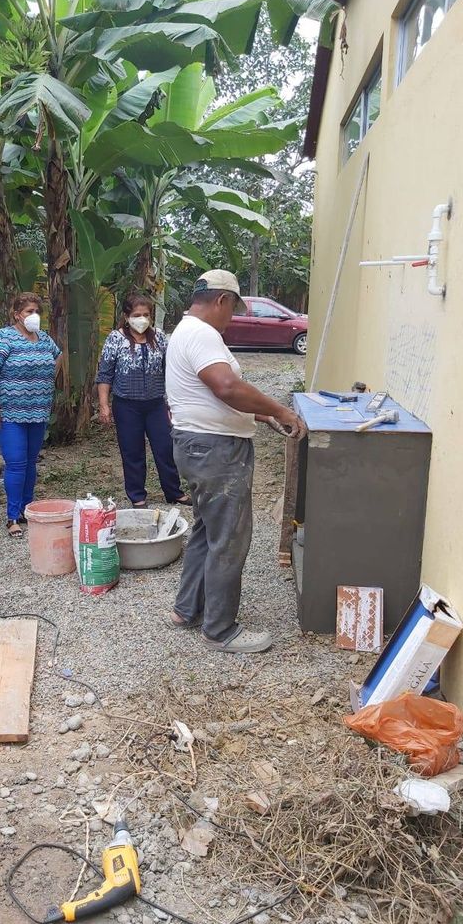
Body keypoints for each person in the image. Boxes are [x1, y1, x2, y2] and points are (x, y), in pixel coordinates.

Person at [165, 270, 307, 654]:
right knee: (229, 537)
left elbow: (209, 396)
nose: (232, 317)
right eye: (233, 309)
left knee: (206, 531)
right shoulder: (202, 335)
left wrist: (260, 415)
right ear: (222, 300)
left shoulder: (184, 331)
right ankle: (220, 630)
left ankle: (187, 609)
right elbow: (226, 386)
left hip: (196, 445)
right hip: (217, 452)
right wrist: (281, 410)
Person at [97, 295, 190, 509]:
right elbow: (105, 374)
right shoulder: (116, 339)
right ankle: (137, 496)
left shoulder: (159, 337)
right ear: (126, 316)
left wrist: (173, 402)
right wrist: (104, 405)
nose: (142, 319)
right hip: (126, 405)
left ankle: (174, 491)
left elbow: (170, 370)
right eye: (136, 315)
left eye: (146, 315)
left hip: (156, 404)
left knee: (165, 448)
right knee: (132, 451)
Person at [0, 293, 61, 538]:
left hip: (38, 411)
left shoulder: (44, 338)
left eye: (37, 311)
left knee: (30, 462)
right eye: (29, 311)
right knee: (16, 463)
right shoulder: (3, 338)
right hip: (11, 414)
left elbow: (58, 356)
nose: (34, 315)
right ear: (17, 314)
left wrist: (47, 382)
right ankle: (12, 516)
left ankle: (27, 508)